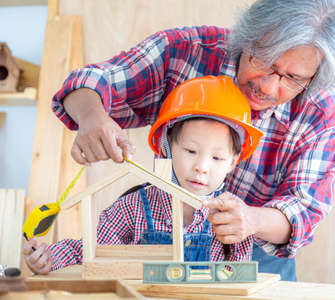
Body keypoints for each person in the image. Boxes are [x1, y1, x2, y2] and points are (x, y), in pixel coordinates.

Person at [51, 0, 335, 281]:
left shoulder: (321, 112)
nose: (269, 88)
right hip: (160, 253)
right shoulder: (187, 51)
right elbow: (93, 82)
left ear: (313, 77)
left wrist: (251, 219)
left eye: (293, 78)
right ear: (248, 38)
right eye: (264, 63)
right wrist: (92, 116)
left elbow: (303, 211)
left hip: (258, 258)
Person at [23, 76, 263, 274]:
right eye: (191, 151)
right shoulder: (132, 208)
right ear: (166, 147)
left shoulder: (233, 220)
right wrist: (49, 257)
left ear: (233, 162)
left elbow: (238, 278)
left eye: (217, 158)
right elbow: (90, 251)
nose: (201, 167)